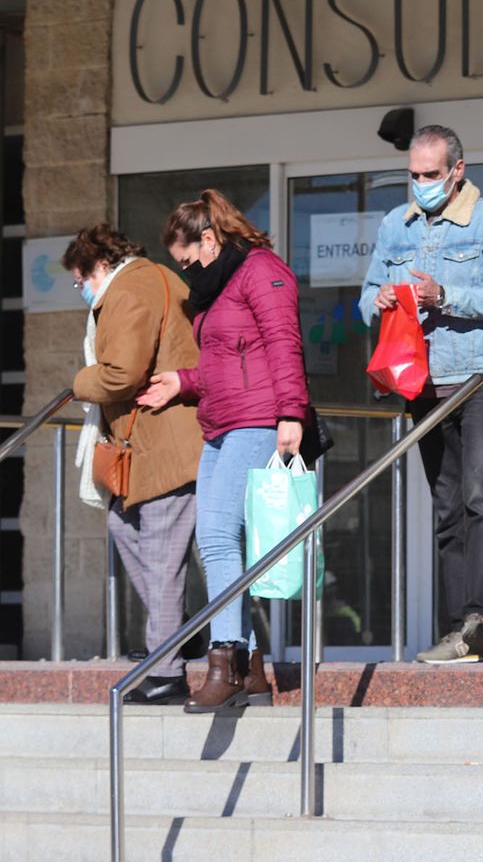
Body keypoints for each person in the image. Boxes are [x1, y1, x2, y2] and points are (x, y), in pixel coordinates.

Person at [136, 189, 309, 712]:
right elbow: (226, 362)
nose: (186, 270)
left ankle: (226, 659)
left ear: (209, 239)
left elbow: (283, 342)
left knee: (215, 535)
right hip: (219, 422)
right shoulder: (221, 284)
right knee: (215, 543)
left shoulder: (261, 271)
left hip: (257, 419)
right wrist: (183, 382)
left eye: (187, 259)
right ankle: (252, 670)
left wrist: (291, 413)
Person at [359, 125, 483, 664]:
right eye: (413, 175)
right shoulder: (394, 224)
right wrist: (380, 298)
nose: (421, 185)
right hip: (419, 380)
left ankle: (480, 621)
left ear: (458, 170)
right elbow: (363, 299)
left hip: (477, 377)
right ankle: (458, 629)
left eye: (431, 175)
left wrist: (446, 294)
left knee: (480, 498)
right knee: (446, 506)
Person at [65, 225, 203, 705]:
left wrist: (80, 382)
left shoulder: (131, 287)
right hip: (144, 446)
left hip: (166, 443)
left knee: (163, 558)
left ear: (97, 265)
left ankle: (166, 670)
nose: (80, 290)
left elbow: (121, 371)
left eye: (78, 280)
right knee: (126, 530)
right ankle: (183, 632)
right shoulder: (149, 281)